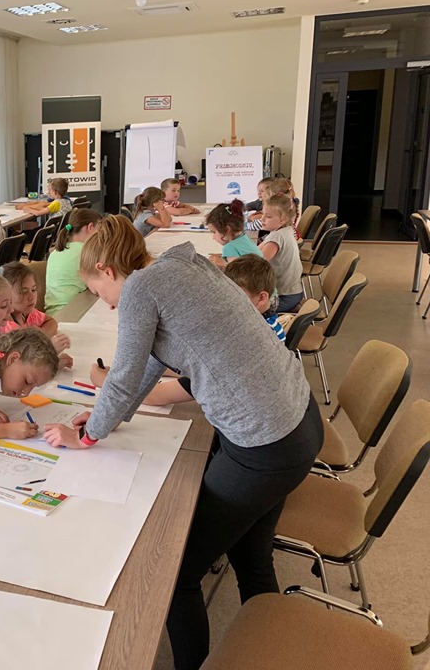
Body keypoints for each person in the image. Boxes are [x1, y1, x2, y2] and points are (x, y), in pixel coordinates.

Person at [40, 216, 322, 670]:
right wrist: (108, 416)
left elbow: (125, 373)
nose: (106, 304)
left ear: (107, 270)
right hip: (298, 421)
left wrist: (88, 435)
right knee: (250, 554)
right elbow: (152, 359)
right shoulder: (181, 265)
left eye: (98, 291)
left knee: (175, 573)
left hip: (264, 443)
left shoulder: (139, 288)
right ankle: (269, 649)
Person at [143, 254, 287, 407]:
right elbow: (196, 367)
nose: (226, 305)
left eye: (236, 298)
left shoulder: (246, 344)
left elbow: (154, 397)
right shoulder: (267, 325)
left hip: (240, 402)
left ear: (262, 298)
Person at [0, 261, 72, 369]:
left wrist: (41, 335)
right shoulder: (8, 327)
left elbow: (51, 322)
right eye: (23, 292)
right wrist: (50, 349)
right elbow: (22, 364)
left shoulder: (28, 313)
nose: (31, 297)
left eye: (33, 290)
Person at [45, 208, 102, 314]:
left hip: (52, 315)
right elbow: (99, 287)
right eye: (99, 231)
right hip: (72, 313)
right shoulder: (86, 252)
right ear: (90, 227)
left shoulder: (54, 252)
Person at [258, 194, 304, 313]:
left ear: (283, 219)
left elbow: (257, 264)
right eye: (262, 214)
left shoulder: (277, 237)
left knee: (248, 308)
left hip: (284, 296)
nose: (262, 219)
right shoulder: (286, 230)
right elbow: (256, 251)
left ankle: (289, 311)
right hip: (294, 292)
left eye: (268, 216)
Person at [205, 200, 261, 269]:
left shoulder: (229, 247)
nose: (213, 237)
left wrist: (222, 263)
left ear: (226, 229)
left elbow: (235, 272)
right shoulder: (244, 237)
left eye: (214, 232)